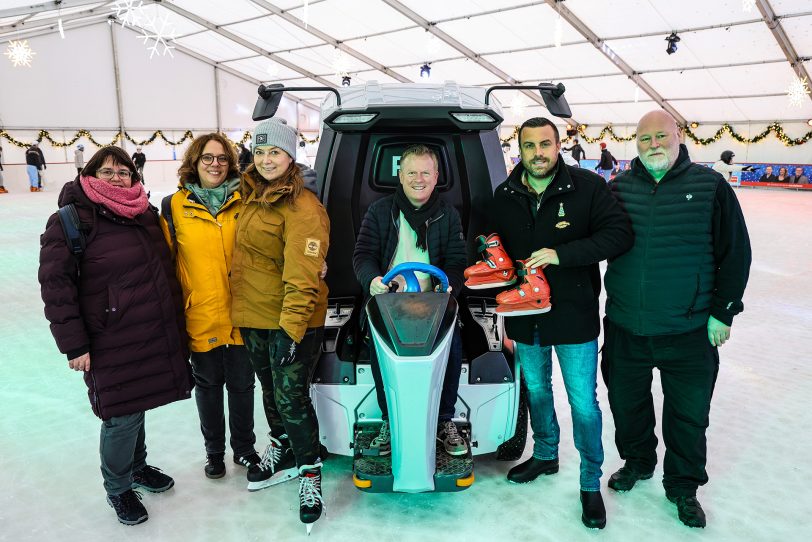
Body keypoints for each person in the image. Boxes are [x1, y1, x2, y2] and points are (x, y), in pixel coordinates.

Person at [602, 110, 751, 529]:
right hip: (626, 325)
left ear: (679, 136)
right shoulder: (618, 189)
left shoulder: (710, 187)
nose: (653, 144)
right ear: (636, 141)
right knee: (627, 405)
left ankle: (683, 487)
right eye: (644, 138)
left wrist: (724, 312)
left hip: (688, 330)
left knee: (688, 414)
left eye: (661, 136)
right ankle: (638, 461)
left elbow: (735, 253)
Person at [490, 117, 634, 530]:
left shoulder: (588, 188)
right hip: (525, 316)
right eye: (530, 145)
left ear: (559, 146)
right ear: (519, 148)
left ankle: (590, 482)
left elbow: (618, 235)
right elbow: (489, 245)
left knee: (583, 403)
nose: (538, 153)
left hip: (574, 316)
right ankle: (546, 454)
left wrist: (562, 254)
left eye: (546, 144)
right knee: (536, 389)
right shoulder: (504, 195)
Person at [38, 146, 193, 526]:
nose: (116, 179)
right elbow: (55, 286)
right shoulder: (71, 221)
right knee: (120, 415)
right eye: (106, 172)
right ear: (89, 176)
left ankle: (137, 467)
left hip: (149, 331)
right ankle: (118, 488)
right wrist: (74, 344)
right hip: (107, 337)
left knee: (136, 403)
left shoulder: (145, 214)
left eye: (123, 172)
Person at [229, 118, 329, 528]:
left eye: (276, 152)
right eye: (262, 151)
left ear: (291, 156)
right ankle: (284, 447)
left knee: (292, 398)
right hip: (254, 315)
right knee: (270, 390)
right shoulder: (252, 196)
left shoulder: (303, 207)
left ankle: (310, 472)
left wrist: (292, 329)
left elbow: (303, 276)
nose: (268, 160)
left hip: (290, 319)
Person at [352, 143, 468, 458]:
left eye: (426, 172)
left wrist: (449, 288)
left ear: (436, 176)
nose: (419, 179)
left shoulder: (448, 214)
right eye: (412, 172)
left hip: (435, 302)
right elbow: (363, 255)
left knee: (453, 344)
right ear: (400, 175)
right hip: (389, 301)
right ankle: (390, 420)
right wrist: (373, 280)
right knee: (380, 349)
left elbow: (457, 262)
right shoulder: (379, 211)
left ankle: (444, 420)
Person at [161, 133, 260, 481]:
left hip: (243, 311)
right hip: (200, 312)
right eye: (207, 158)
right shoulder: (173, 205)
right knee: (207, 386)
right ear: (195, 162)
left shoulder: (246, 198)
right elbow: (165, 261)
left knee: (243, 385)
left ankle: (245, 449)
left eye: (221, 158)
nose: (215, 164)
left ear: (231, 163)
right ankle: (214, 452)